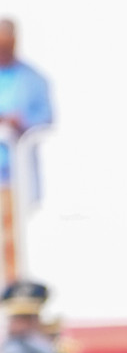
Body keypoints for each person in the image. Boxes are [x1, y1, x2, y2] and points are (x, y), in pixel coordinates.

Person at [0, 22, 53, 282]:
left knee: (10, 233)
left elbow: (46, 117)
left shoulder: (32, 79)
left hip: (11, 171)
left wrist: (20, 122)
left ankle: (11, 287)